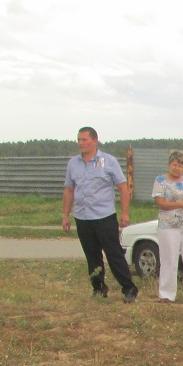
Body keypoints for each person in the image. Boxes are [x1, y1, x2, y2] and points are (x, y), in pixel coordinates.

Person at [62, 127, 138, 302]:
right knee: (92, 255)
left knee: (113, 253)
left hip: (104, 216)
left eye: (84, 140)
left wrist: (125, 213)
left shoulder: (108, 161)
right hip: (82, 216)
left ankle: (129, 288)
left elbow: (123, 188)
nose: (80, 143)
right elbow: (69, 190)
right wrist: (65, 215)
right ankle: (98, 288)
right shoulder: (73, 163)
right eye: (79, 140)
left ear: (95, 141)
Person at [150, 150, 183, 304]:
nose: (176, 168)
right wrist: (180, 204)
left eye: (180, 165)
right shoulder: (160, 181)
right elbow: (160, 203)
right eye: (174, 164)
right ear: (169, 165)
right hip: (169, 225)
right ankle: (166, 294)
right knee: (169, 258)